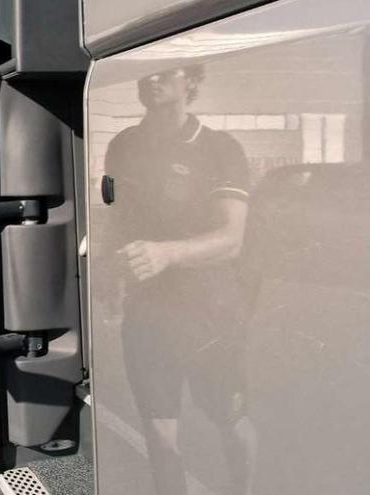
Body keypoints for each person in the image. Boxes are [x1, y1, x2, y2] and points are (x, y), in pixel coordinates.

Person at [104, 65, 257, 495]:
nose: (150, 79)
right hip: (147, 312)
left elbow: (232, 240)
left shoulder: (219, 148)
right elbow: (117, 219)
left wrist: (165, 253)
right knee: (160, 435)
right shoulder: (123, 145)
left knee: (230, 420)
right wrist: (108, 271)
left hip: (211, 313)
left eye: (164, 72)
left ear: (191, 82)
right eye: (144, 73)